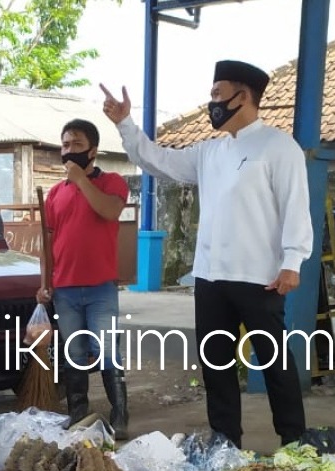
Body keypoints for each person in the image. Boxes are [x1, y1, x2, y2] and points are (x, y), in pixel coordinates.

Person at [100, 60, 313, 449]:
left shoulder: (279, 147)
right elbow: (158, 160)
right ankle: (225, 442)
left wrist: (292, 261)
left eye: (217, 94)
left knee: (274, 362)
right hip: (211, 277)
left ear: (243, 96)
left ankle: (295, 441)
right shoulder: (210, 151)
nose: (211, 103)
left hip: (260, 277)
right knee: (216, 363)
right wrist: (125, 124)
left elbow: (295, 206)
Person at [36, 118, 132, 438]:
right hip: (64, 287)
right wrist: (44, 282)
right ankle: (78, 411)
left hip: (101, 286)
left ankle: (120, 414)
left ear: (93, 150)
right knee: (74, 353)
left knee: (106, 350)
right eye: (65, 144)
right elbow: (47, 243)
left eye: (77, 144)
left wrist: (80, 180)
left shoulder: (113, 182)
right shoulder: (55, 193)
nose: (69, 150)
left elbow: (109, 211)